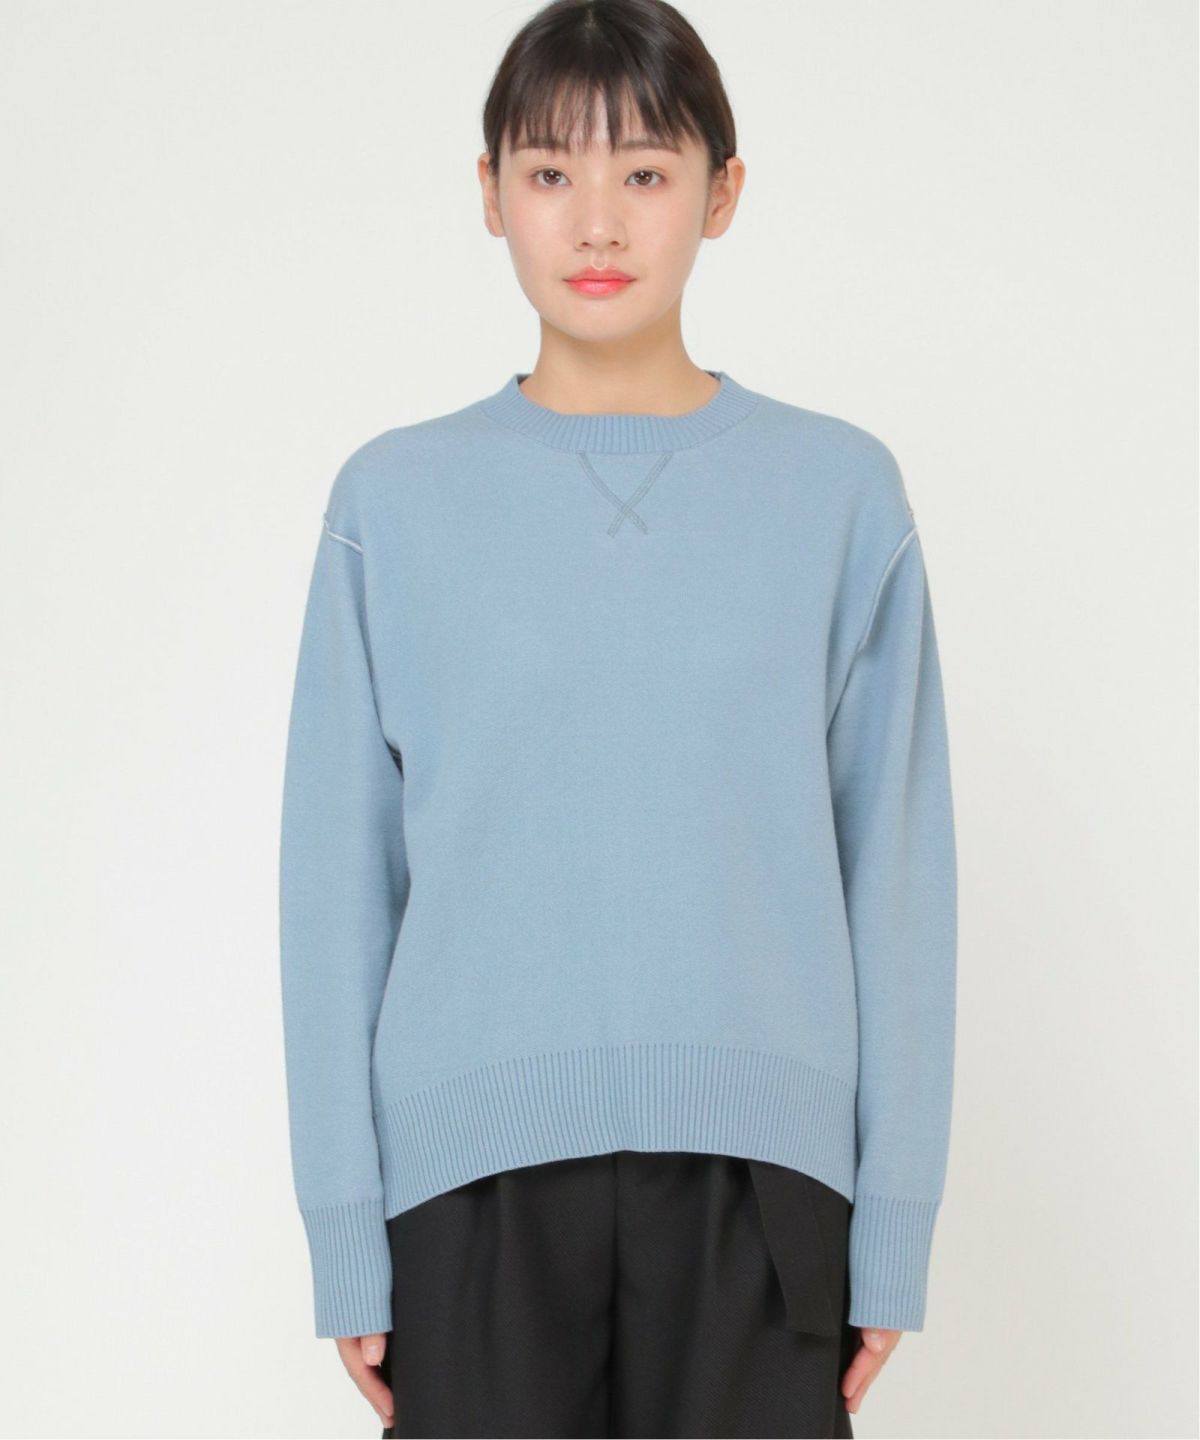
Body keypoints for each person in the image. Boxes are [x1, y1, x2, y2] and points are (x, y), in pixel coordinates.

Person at [278, 1, 957, 1435]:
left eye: (645, 172)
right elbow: (336, 888)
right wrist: (346, 1224)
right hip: (465, 1195)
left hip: (764, 1191)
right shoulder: (391, 502)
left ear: (724, 191)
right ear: (489, 193)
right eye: (550, 172)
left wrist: (893, 1217)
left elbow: (897, 877)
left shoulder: (840, 495)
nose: (597, 222)